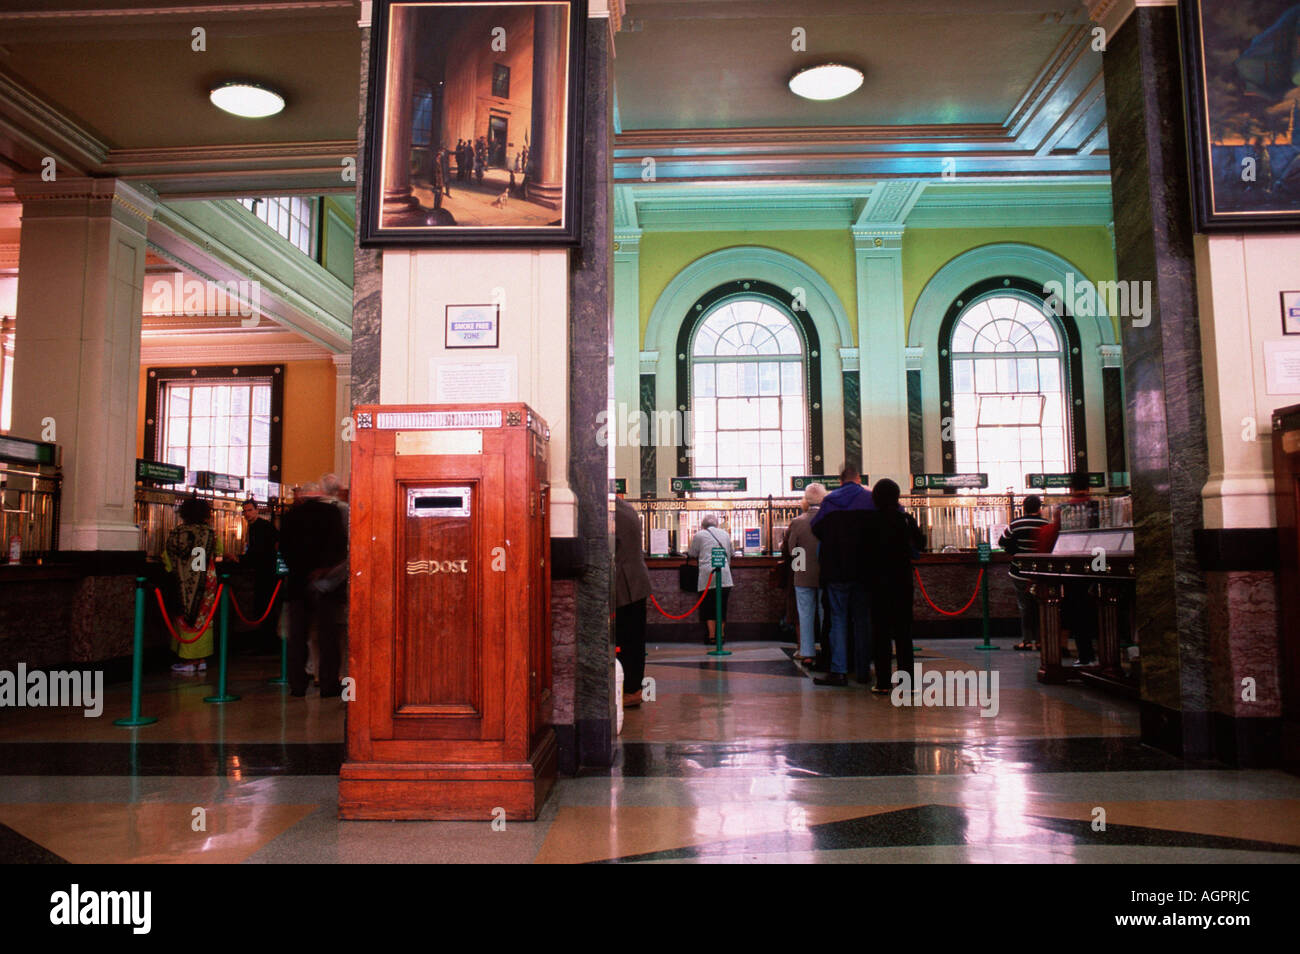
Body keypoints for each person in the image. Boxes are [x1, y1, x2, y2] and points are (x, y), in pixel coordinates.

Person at [279, 482, 349, 697]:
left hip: (298, 584)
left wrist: (300, 571)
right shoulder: (331, 513)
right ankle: (328, 684)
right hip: (326, 585)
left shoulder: (290, 516)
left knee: (297, 636)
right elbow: (339, 545)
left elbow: (284, 547)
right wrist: (324, 570)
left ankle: (297, 685)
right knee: (328, 637)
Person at [811, 463, 874, 686]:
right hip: (864, 570)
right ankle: (863, 670)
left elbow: (816, 528)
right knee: (862, 619)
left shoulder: (830, 501)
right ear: (859, 478)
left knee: (837, 619)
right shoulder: (870, 498)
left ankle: (838, 671)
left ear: (840, 480)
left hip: (836, 569)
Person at [866, 479, 925, 694]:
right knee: (903, 633)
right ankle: (907, 682)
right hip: (902, 582)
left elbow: (863, 552)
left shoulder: (870, 521)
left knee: (880, 633)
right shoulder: (906, 520)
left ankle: (883, 682)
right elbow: (921, 544)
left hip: (878, 584)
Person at [161, 496, 222, 674]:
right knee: (203, 619)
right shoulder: (210, 533)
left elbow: (167, 557)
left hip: (183, 582)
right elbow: (219, 551)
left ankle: (188, 660)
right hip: (207, 581)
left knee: (185, 619)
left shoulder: (178, 532)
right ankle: (201, 660)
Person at [614, 496, 652, 708]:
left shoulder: (611, 511)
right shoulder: (625, 507)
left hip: (626, 583)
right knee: (634, 639)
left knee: (629, 640)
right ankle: (632, 688)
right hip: (635, 580)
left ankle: (631, 690)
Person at [998, 495, 1049, 651]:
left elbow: (1002, 542)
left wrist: (1016, 553)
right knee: (1041, 605)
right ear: (1039, 508)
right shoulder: (1046, 524)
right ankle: (1041, 641)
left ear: (1024, 508)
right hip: (1041, 572)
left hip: (1019, 571)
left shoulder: (1016, 524)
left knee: (1024, 606)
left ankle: (1027, 641)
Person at [784, 482, 827, 666]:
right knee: (826, 614)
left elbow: (793, 550)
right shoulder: (829, 520)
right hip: (826, 575)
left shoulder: (798, 522)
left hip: (803, 576)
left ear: (806, 500)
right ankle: (828, 649)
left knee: (805, 614)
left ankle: (807, 651)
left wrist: (800, 568)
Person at [239, 498, 281, 655]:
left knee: (264, 607)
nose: (247, 514)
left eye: (250, 510)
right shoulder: (262, 526)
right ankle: (268, 643)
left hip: (265, 573)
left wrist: (241, 559)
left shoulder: (259, 527)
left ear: (257, 510)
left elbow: (257, 552)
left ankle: (267, 644)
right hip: (269, 572)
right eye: (245, 511)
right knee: (266, 608)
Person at [688, 514, 733, 648]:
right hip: (724, 575)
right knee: (722, 606)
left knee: (708, 607)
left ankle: (712, 637)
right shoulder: (725, 534)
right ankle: (722, 635)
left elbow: (692, 553)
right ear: (717, 524)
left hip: (707, 575)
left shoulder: (699, 535)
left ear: (703, 525)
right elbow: (731, 552)